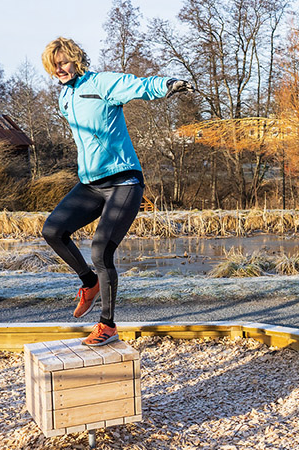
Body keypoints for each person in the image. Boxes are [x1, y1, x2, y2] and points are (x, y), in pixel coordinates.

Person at [40, 37, 193, 346]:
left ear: (77, 59)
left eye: (64, 62)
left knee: (100, 250)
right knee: (53, 230)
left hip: (124, 181)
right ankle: (89, 282)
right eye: (53, 65)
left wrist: (168, 84)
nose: (59, 69)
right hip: (91, 184)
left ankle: (107, 325)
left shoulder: (103, 83)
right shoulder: (64, 99)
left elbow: (139, 86)